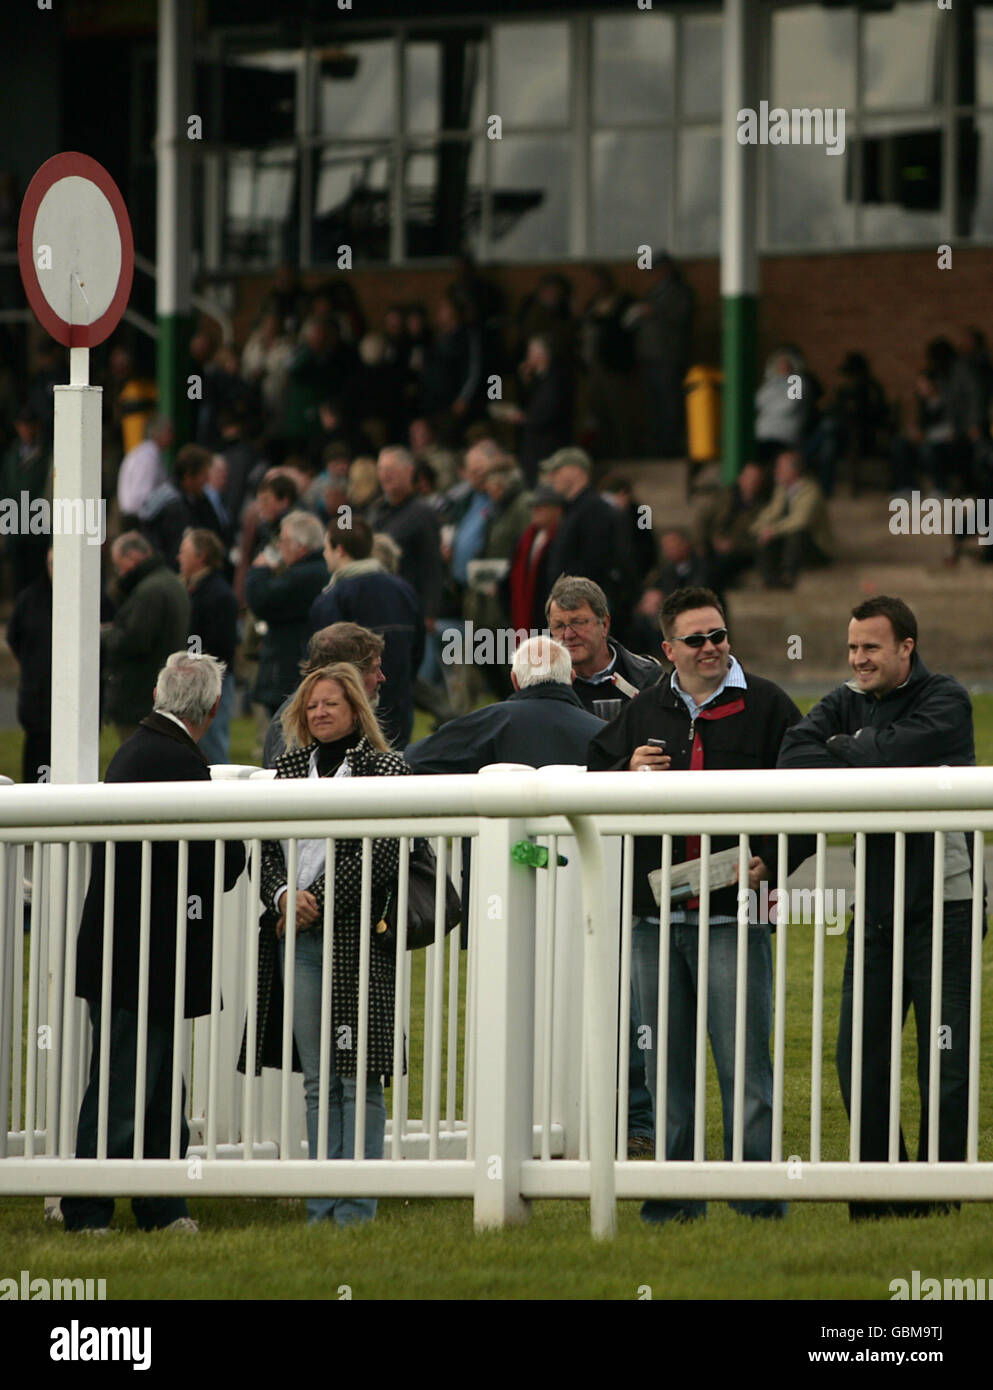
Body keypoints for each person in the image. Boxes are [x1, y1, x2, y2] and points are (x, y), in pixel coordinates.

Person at [587, 586, 810, 1225]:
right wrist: (625, 770)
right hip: (655, 921)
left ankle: (757, 1201)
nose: (711, 648)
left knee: (747, 1068)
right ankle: (673, 1201)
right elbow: (591, 777)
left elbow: (809, 789)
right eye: (696, 639)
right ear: (668, 649)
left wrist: (776, 855)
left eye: (718, 635)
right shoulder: (644, 708)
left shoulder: (767, 705)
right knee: (666, 1071)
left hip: (734, 917)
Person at [777, 595, 986, 1220]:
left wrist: (854, 747)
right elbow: (793, 755)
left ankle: (940, 1198)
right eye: (852, 648)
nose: (858, 659)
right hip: (874, 911)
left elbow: (889, 755)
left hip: (946, 906)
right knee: (859, 1059)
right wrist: (869, 744)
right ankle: (876, 1197)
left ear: (906, 649)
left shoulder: (948, 697)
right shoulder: (845, 697)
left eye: (871, 647)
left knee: (944, 1060)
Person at [63, 653, 246, 1233]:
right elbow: (216, 859)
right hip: (143, 955)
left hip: (138, 952)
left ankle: (159, 1204)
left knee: (155, 1082)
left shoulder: (144, 747)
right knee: (130, 1082)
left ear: (157, 691)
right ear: (213, 709)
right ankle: (91, 1207)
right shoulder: (176, 759)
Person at [243, 663, 410, 1226]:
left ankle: (356, 1208)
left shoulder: (385, 767)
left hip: (359, 939)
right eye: (312, 704)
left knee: (357, 1074)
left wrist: (316, 898)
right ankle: (321, 1206)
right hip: (297, 936)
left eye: (331, 703)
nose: (319, 712)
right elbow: (263, 849)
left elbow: (383, 852)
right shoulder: (287, 767)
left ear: (355, 708)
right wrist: (286, 894)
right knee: (317, 1079)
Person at [406, 635, 602, 773]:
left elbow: (414, 758)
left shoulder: (490, 722)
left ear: (514, 680)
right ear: (572, 678)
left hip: (500, 829)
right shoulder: (604, 733)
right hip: (585, 831)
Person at [309, 517, 424, 746]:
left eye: (326, 548)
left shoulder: (333, 598)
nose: (324, 555)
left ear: (339, 550)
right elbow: (418, 647)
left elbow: (322, 662)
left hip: (353, 712)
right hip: (399, 704)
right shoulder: (403, 590)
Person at [102, 533, 190, 741]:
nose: (120, 573)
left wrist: (106, 634)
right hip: (162, 687)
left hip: (140, 694)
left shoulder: (149, 591)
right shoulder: (170, 582)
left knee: (139, 760)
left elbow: (135, 640)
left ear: (132, 557)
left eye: (119, 565)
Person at [262, 622, 387, 768]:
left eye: (330, 704)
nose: (381, 677)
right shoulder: (295, 722)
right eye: (374, 669)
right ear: (351, 673)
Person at [245, 510, 328, 716]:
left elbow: (261, 601)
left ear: (299, 546)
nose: (279, 547)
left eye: (283, 541)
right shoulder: (318, 570)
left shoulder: (303, 576)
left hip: (289, 671)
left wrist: (259, 570)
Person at [546, 574, 661, 715]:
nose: (568, 635)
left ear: (605, 625)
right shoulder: (543, 690)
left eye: (578, 622)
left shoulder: (649, 679)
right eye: (559, 626)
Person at [179, 528, 239, 764]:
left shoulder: (218, 595)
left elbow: (220, 646)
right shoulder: (194, 589)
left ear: (200, 556)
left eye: (184, 552)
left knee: (212, 745)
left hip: (213, 682)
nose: (178, 558)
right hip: (199, 678)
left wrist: (195, 664)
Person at [542, 447, 626, 613]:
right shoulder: (574, 510)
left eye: (557, 470)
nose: (551, 477)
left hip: (586, 608)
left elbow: (594, 563)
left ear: (576, 471)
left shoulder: (594, 510)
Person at [750, 449, 833, 589]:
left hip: (815, 548)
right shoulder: (782, 489)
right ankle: (769, 579)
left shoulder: (811, 491)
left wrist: (773, 531)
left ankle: (788, 576)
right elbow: (772, 512)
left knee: (797, 533)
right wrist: (759, 528)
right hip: (787, 542)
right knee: (764, 536)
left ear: (794, 470)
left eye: (780, 467)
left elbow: (800, 521)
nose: (776, 471)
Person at [117, 416, 173, 524]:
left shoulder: (145, 452)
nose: (172, 436)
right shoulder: (147, 456)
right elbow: (143, 496)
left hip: (135, 516)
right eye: (169, 432)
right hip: (137, 519)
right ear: (159, 433)